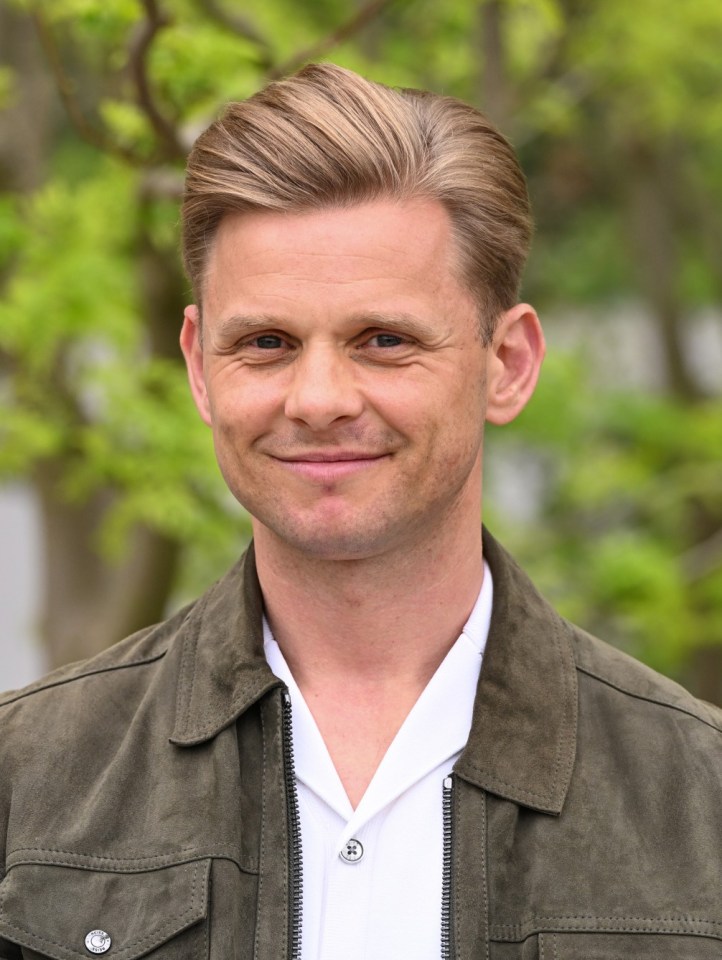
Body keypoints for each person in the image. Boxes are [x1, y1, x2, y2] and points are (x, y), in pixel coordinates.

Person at [1, 63, 720, 960]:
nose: (319, 398)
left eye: (384, 341)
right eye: (266, 343)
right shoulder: (25, 782)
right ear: (197, 368)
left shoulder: (701, 806)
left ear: (508, 363)